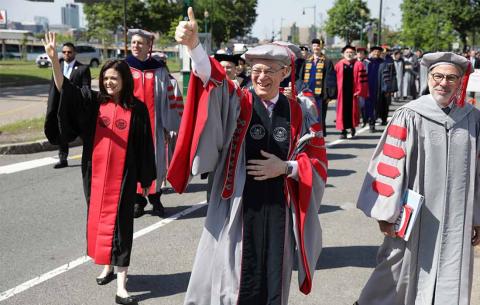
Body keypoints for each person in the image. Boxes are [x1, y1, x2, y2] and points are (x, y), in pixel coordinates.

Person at [169, 8, 327, 305]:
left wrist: (287, 167)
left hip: (281, 205)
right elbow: (210, 79)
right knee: (234, 280)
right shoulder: (237, 101)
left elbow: (318, 160)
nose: (261, 76)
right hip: (239, 204)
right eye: (256, 70)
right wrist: (194, 48)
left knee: (274, 277)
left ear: (285, 73)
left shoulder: (301, 111)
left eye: (269, 70)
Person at [354, 52, 480, 305]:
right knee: (397, 273)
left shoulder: (472, 119)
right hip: (414, 216)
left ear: (460, 83)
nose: (443, 83)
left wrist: (477, 217)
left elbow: (478, 174)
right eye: (438, 76)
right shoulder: (409, 114)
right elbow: (390, 164)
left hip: (457, 219)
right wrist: (386, 214)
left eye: (451, 78)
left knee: (451, 275)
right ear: (429, 77)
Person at [42, 32, 156, 305]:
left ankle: (122, 287)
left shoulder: (136, 109)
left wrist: (144, 181)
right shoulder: (94, 103)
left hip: (125, 177)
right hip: (94, 173)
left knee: (121, 226)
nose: (108, 83)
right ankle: (106, 266)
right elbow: (65, 90)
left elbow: (144, 146)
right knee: (99, 220)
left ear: (124, 81)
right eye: (105, 79)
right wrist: (55, 62)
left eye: (113, 79)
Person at [126, 29, 183, 218]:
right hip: (131, 128)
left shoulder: (158, 69)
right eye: (133, 42)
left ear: (148, 46)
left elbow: (168, 99)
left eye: (140, 43)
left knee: (157, 162)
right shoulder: (124, 68)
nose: (135, 46)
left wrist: (168, 126)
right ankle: (138, 201)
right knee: (133, 161)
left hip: (155, 126)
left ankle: (155, 198)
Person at [45, 42, 91, 169]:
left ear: (74, 53)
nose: (66, 54)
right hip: (61, 105)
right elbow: (53, 85)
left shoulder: (83, 69)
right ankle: (63, 158)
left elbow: (86, 88)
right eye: (64, 52)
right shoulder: (57, 66)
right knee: (62, 130)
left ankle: (90, 157)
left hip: (76, 105)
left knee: (83, 132)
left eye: (69, 52)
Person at [302, 38, 337, 136]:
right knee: (307, 115)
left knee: (320, 116)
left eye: (318, 46)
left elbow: (330, 79)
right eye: (314, 46)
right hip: (307, 94)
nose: (316, 47)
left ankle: (319, 136)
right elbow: (301, 77)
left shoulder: (327, 61)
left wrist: (329, 95)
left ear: (321, 47)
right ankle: (308, 135)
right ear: (312, 47)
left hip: (320, 96)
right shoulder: (307, 61)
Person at [334, 45, 368, 139]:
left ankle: (352, 127)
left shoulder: (359, 64)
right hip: (342, 93)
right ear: (343, 54)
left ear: (354, 54)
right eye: (347, 52)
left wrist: (359, 91)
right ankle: (343, 131)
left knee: (353, 111)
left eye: (351, 52)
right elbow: (333, 80)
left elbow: (363, 80)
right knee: (341, 112)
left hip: (353, 93)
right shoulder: (339, 65)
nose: (349, 54)